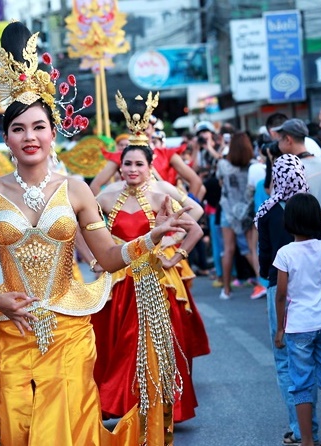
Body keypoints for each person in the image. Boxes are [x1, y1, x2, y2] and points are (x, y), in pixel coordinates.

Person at [0, 22, 191, 445]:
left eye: (38, 126)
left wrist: (151, 237)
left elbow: (107, 257)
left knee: (64, 427)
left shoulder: (75, 191)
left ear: (53, 133)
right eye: (18, 129)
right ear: (6, 139)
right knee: (16, 428)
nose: (29, 136)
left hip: (70, 325)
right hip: (10, 327)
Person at [92, 139, 208, 424]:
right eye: (127, 164)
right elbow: (87, 225)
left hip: (154, 280)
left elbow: (196, 212)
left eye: (138, 164)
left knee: (153, 343)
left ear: (150, 166)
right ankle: (122, 404)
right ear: (120, 167)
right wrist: (97, 257)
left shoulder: (162, 191)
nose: (132, 169)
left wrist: (174, 247)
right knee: (116, 342)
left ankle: (157, 405)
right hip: (119, 280)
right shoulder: (107, 196)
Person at [274, 193, 321, 446]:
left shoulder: (285, 253)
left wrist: (280, 329)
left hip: (299, 326)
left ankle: (307, 440)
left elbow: (281, 294)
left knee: (302, 385)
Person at [255, 154, 319, 445]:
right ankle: (315, 429)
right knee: (313, 359)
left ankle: (299, 428)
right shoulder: (310, 208)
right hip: (312, 288)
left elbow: (264, 259)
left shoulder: (267, 211)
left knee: (284, 360)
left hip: (276, 289)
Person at [216, 131, 265, 300]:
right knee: (251, 249)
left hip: (228, 210)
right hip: (247, 211)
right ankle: (262, 282)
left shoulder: (223, 164)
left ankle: (226, 289)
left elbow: (220, 182)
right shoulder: (253, 165)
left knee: (228, 250)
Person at [274, 118, 321, 212]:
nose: (278, 144)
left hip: (301, 225)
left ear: (288, 139)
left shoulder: (289, 170)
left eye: (279, 140)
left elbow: (275, 203)